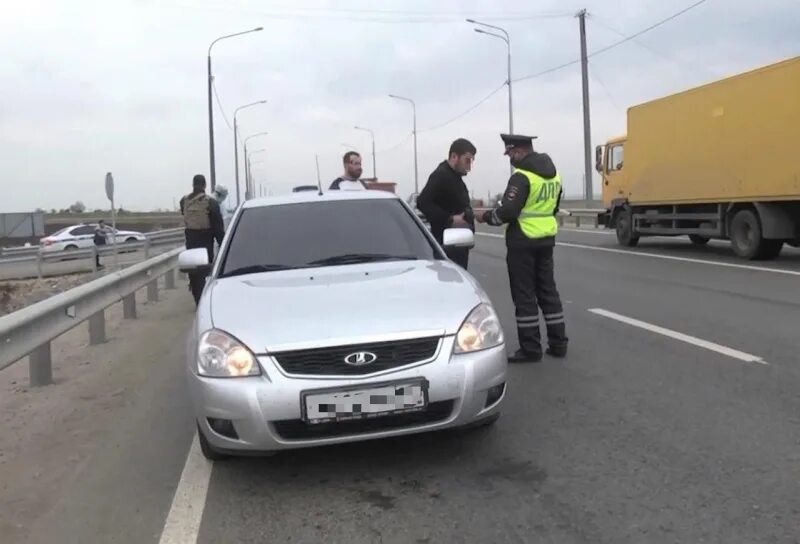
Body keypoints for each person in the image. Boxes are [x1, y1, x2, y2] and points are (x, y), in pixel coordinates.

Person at [476, 133, 568, 363]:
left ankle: (530, 348)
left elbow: (507, 212)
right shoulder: (554, 174)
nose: (510, 158)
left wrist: (486, 216)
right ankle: (559, 344)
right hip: (546, 238)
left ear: (518, 151)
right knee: (548, 291)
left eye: (510, 154)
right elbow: (555, 205)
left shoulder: (522, 177)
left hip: (522, 241)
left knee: (525, 295)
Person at [416, 138, 477, 269]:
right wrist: (449, 220)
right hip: (447, 247)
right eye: (467, 160)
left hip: (457, 244)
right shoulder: (441, 175)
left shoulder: (455, 178)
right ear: (454, 156)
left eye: (471, 161)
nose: (469, 166)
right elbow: (422, 202)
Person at [180, 174, 225, 305]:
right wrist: (223, 245)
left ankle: (197, 301)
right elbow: (218, 228)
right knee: (206, 274)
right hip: (206, 243)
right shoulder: (211, 203)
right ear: (205, 185)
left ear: (193, 184)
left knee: (193, 275)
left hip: (190, 242)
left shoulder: (184, 201)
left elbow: (184, 214)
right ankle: (205, 302)